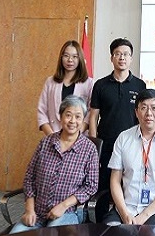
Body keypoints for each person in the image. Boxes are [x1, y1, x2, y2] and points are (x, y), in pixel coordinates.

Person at [10, 96, 98, 233]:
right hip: (37, 213)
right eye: (68, 115)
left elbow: (91, 186)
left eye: (78, 117)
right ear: (60, 117)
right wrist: (29, 210)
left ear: (82, 120)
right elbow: (29, 177)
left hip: (68, 212)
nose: (72, 121)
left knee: (53, 233)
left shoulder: (89, 149)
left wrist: (63, 206)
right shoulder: (46, 142)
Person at [104, 89, 155, 225]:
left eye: (154, 108)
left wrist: (144, 215)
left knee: (149, 232)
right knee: (109, 230)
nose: (149, 113)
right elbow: (115, 181)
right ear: (136, 112)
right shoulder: (123, 138)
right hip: (125, 208)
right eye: (144, 108)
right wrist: (124, 214)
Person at [89, 38, 146, 219]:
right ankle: (101, 223)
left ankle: (127, 219)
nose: (122, 58)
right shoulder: (100, 85)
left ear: (131, 58)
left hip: (132, 146)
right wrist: (94, 145)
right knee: (104, 186)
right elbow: (93, 116)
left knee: (129, 186)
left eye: (126, 54)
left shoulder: (140, 85)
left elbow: (143, 116)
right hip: (107, 145)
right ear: (112, 58)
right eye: (118, 54)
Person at [37, 40, 93, 135]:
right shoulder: (50, 82)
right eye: (66, 56)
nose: (70, 60)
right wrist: (52, 136)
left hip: (79, 137)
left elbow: (90, 112)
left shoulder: (89, 83)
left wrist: (76, 134)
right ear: (61, 57)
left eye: (74, 56)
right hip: (53, 134)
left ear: (80, 59)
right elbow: (41, 111)